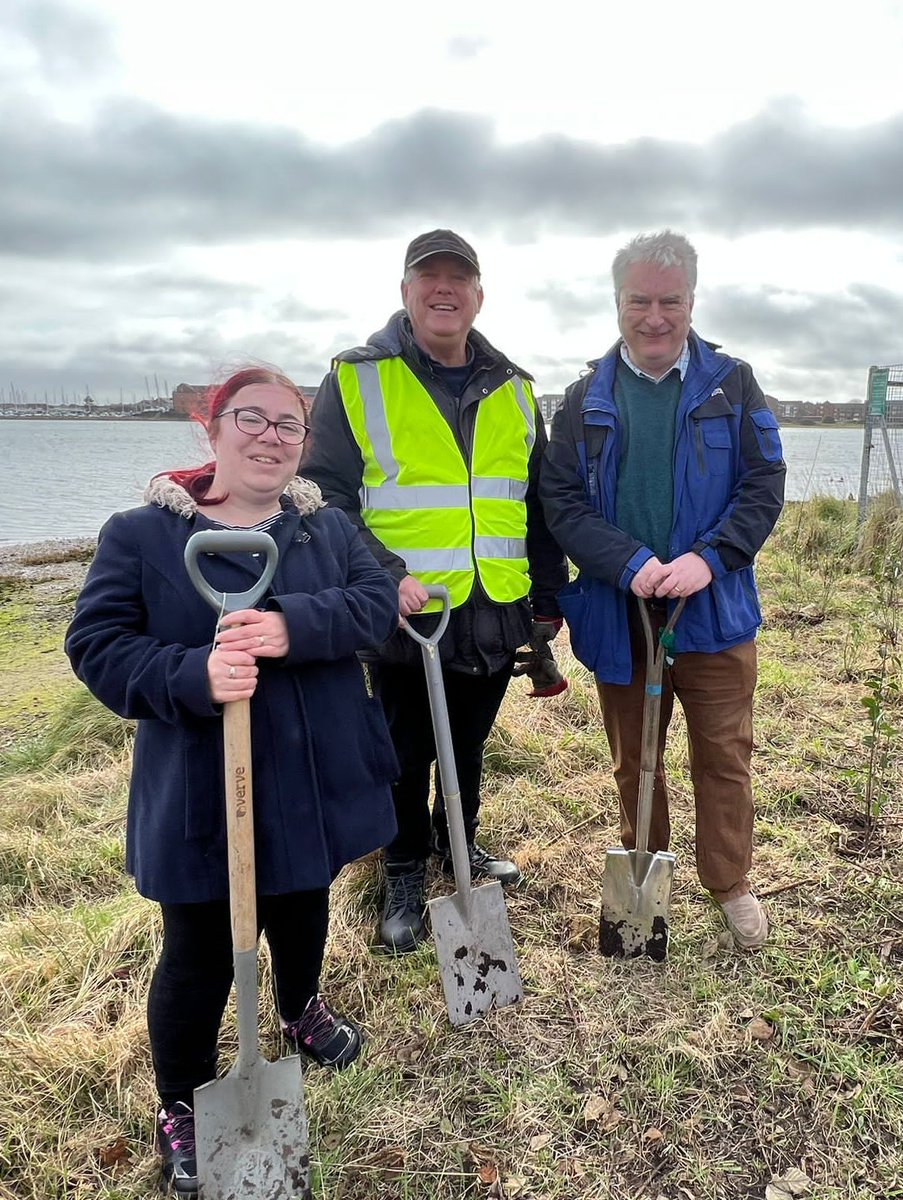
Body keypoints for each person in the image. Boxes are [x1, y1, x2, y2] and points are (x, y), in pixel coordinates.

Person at [65, 367, 400, 1197]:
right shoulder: (139, 535)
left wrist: (293, 625)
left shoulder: (323, 529)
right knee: (198, 950)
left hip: (315, 771)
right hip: (202, 788)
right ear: (210, 429)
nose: (272, 438)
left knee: (303, 902)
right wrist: (193, 674)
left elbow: (374, 601)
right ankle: (181, 1100)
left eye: (290, 427)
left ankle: (298, 1007)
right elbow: (97, 646)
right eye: (253, 419)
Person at [303, 229, 569, 953]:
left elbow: (533, 500)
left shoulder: (514, 388)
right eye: (429, 278)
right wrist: (381, 577)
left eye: (459, 278)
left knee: (468, 741)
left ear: (479, 297)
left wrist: (547, 599)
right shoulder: (357, 379)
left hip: (492, 605)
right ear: (406, 293)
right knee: (404, 746)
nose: (443, 289)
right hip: (407, 610)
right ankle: (401, 868)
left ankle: (458, 845)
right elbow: (324, 495)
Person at [540, 230, 785, 950]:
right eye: (638, 300)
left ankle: (728, 884)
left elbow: (762, 482)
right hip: (622, 616)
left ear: (690, 301)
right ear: (617, 301)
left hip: (712, 615)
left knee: (722, 756)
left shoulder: (731, 383)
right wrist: (626, 562)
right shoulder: (583, 397)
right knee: (634, 760)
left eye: (669, 301)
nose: (654, 316)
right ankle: (645, 869)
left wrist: (711, 559)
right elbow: (560, 501)